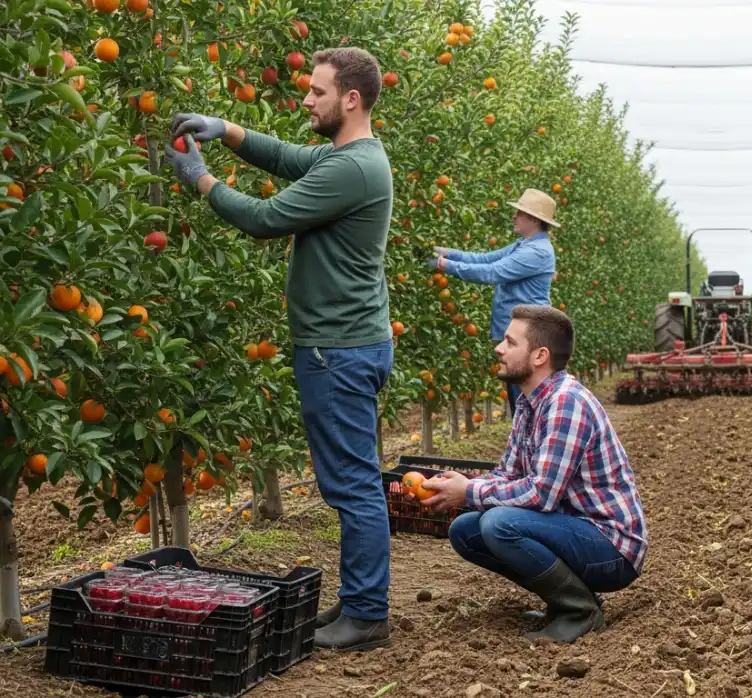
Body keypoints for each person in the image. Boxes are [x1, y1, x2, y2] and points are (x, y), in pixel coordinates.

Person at [165, 47, 395, 652]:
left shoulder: (352, 168)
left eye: (317, 92)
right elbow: (288, 157)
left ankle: (368, 614)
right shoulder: (350, 156)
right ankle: (360, 600)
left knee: (352, 485)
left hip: (338, 349)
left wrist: (202, 179)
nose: (306, 100)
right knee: (353, 481)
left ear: (349, 99)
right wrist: (227, 129)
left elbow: (266, 218)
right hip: (345, 344)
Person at [421, 305, 647, 644]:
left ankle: (580, 612)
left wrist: (469, 493)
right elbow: (508, 474)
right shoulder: (530, 403)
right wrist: (459, 485)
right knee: (465, 531)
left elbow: (541, 494)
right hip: (572, 527)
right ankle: (565, 600)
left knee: (498, 524)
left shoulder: (565, 403)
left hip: (611, 547)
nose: (499, 348)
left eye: (510, 342)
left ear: (540, 355)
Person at [427, 189, 557, 417]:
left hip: (529, 336)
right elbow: (484, 259)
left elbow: (492, 272)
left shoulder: (537, 252)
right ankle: (525, 450)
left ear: (534, 219)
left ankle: (532, 451)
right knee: (519, 402)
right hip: (518, 335)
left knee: (526, 405)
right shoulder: (523, 245)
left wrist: (442, 265)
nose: (514, 216)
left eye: (519, 213)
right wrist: (445, 253)